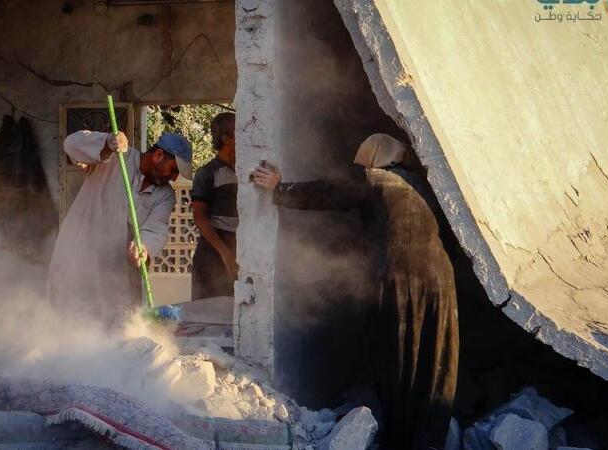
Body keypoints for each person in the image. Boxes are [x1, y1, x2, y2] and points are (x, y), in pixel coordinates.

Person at [251, 134, 459, 450]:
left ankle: (402, 439)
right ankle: (429, 438)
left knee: (396, 357)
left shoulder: (375, 180)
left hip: (399, 281)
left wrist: (279, 188)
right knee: (432, 360)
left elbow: (327, 192)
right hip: (440, 281)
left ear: (374, 159)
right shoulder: (420, 184)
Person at [47, 129, 192, 327]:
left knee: (110, 328)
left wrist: (144, 246)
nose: (174, 178)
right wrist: (106, 142)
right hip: (77, 260)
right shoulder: (117, 158)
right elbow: (71, 144)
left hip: (115, 273)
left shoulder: (165, 195)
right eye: (173, 170)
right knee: (67, 323)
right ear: (158, 155)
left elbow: (157, 227)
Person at [190, 112, 239, 299]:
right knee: (209, 309)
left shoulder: (245, 170)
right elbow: (200, 218)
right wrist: (225, 253)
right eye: (240, 131)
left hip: (238, 250)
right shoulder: (208, 173)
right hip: (212, 255)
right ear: (227, 139)